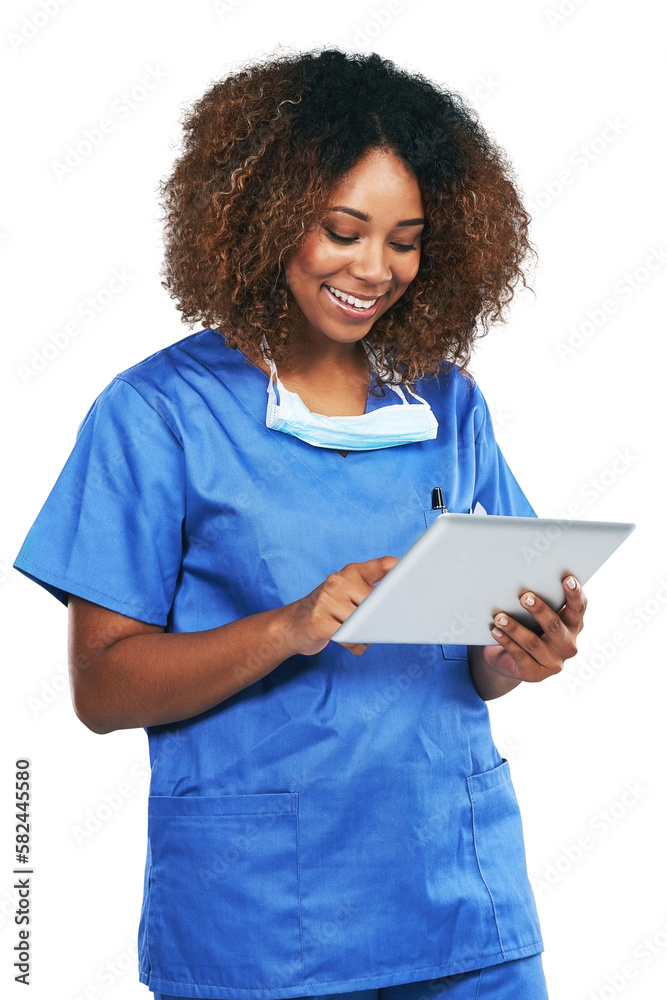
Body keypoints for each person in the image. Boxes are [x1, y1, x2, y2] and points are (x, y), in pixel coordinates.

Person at [13, 47, 586, 1000]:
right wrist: (290, 628)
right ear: (267, 216)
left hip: (463, 905)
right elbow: (102, 688)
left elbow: (477, 664)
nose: (376, 268)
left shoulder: (446, 403)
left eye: (405, 238)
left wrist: (522, 650)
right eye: (342, 230)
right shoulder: (158, 415)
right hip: (264, 924)